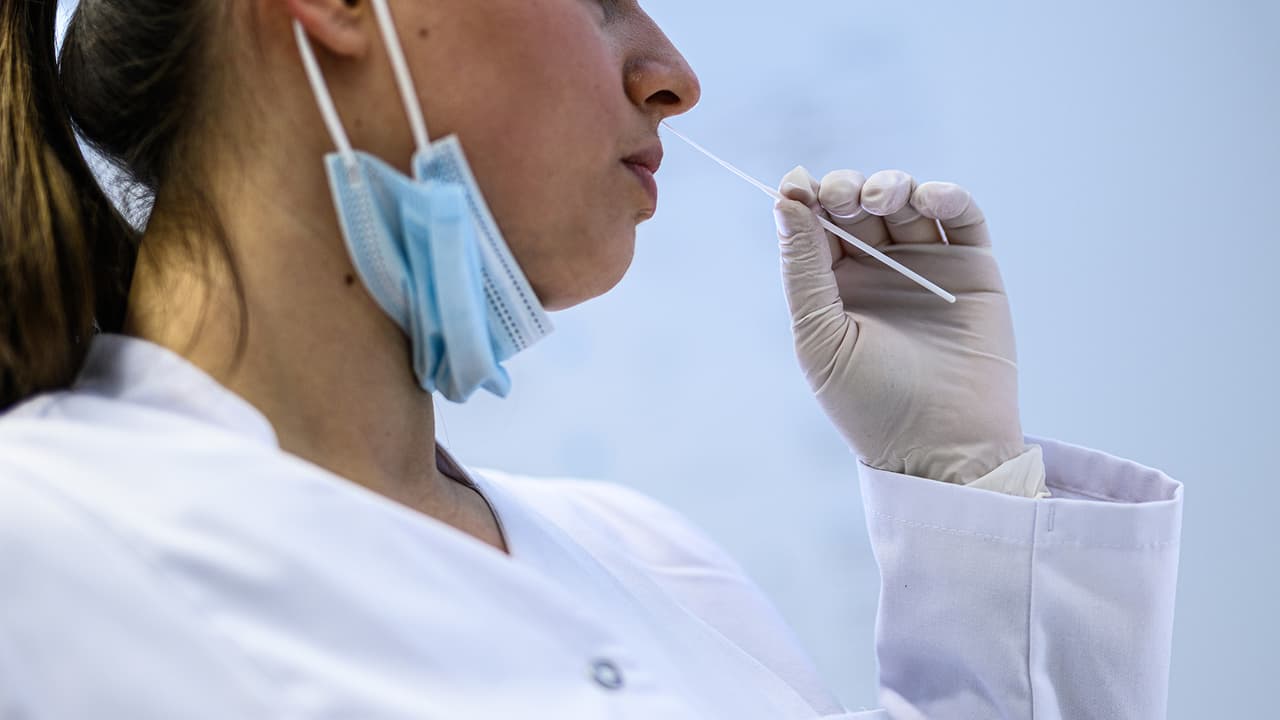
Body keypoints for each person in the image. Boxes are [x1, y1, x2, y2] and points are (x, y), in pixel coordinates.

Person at [0, 1, 1182, 718]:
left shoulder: (654, 563)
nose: (673, 74)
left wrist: (957, 471)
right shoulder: (42, 552)